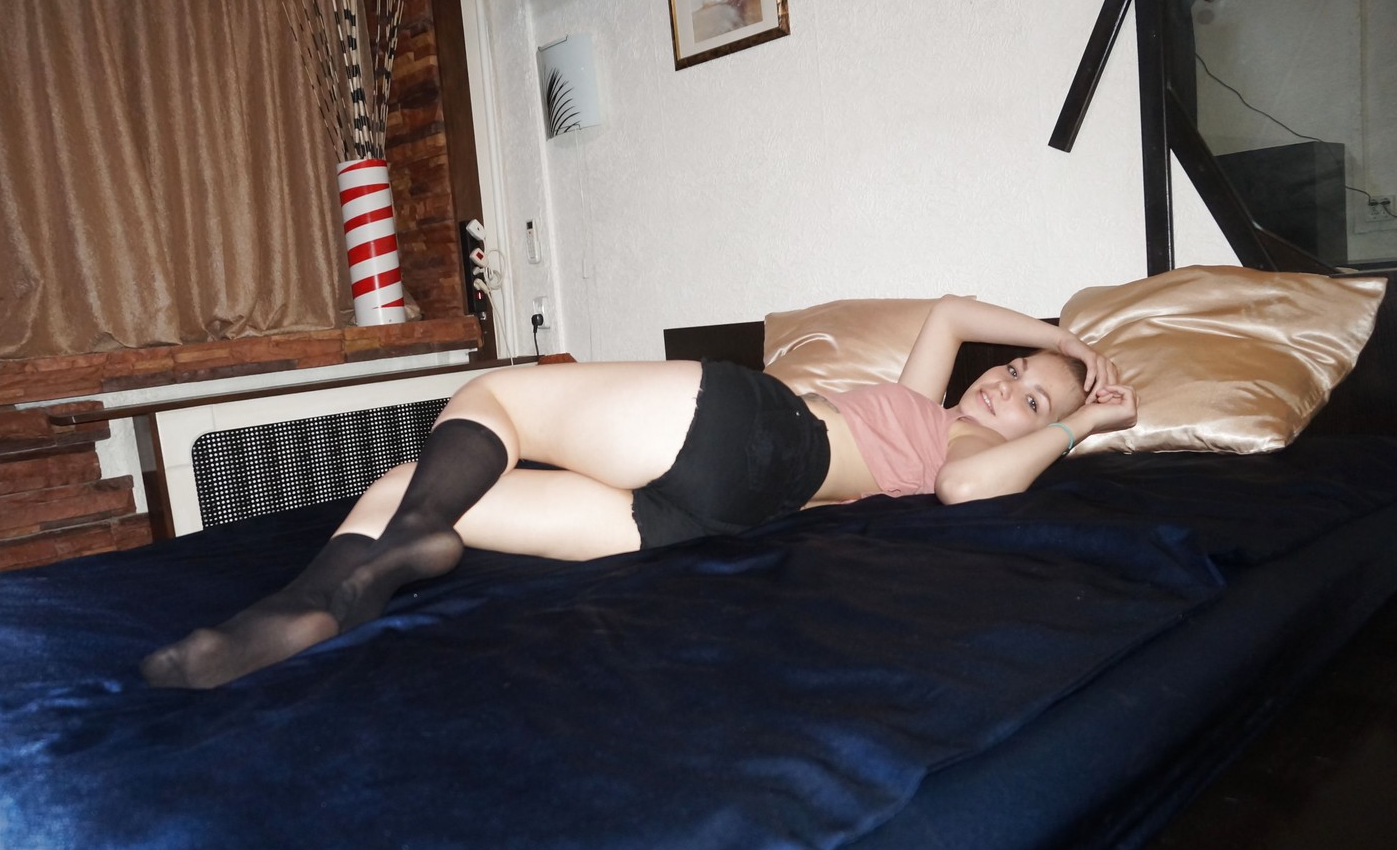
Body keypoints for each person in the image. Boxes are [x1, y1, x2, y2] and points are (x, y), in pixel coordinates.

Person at [141, 295, 1136, 689]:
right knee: (407, 483)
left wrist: (1080, 421)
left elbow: (966, 485)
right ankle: (321, 602)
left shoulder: (971, 447)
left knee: (493, 397)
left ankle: (374, 560)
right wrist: (1064, 340)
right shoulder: (924, 406)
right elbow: (952, 314)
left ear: (1033, 435)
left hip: (756, 433)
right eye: (1013, 371)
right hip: (713, 517)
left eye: (1028, 401)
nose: (1007, 387)